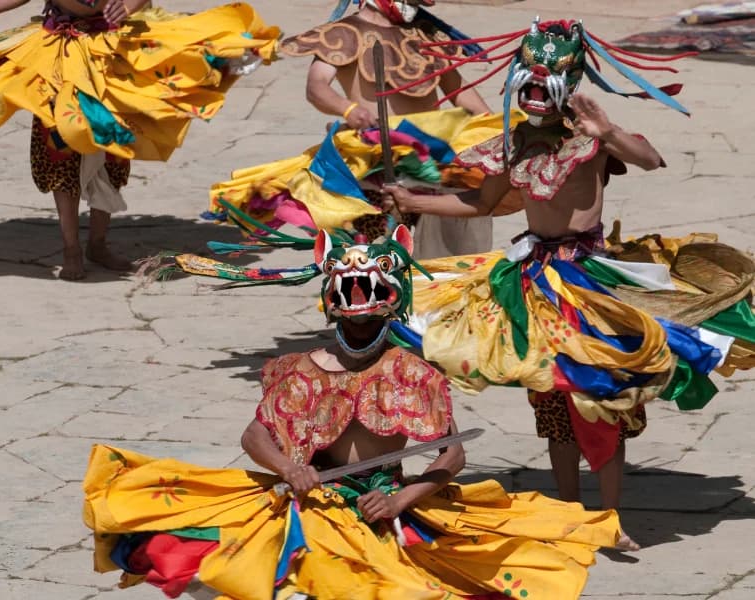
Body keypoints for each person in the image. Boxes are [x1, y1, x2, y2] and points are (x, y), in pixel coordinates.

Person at [84, 227, 625, 599]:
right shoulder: (300, 368)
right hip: (306, 497)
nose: (361, 324)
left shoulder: (414, 373)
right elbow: (255, 434)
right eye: (352, 309)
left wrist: (401, 496)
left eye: (371, 313)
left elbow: (452, 454)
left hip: (379, 504)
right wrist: (289, 467)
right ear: (332, 304)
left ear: (390, 305)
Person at [382, 18, 755, 550]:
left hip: (590, 280)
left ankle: (609, 516)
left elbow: (651, 159)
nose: (534, 90)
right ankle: (566, 510)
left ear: (568, 82)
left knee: (602, 397)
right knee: (551, 398)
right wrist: (413, 200)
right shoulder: (512, 143)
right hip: (531, 277)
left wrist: (609, 134)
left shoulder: (589, 138)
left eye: (546, 80)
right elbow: (481, 204)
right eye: (528, 79)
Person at [0, 0, 280, 279]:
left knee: (112, 148)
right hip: (58, 52)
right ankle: (71, 247)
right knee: (60, 149)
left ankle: (98, 243)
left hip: (111, 48)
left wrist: (131, 4)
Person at [204, 0, 503, 260]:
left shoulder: (426, 34)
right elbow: (316, 86)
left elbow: (459, 91)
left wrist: (495, 129)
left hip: (430, 161)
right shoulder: (344, 33)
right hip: (373, 163)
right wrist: (348, 110)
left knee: (444, 253)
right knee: (369, 258)